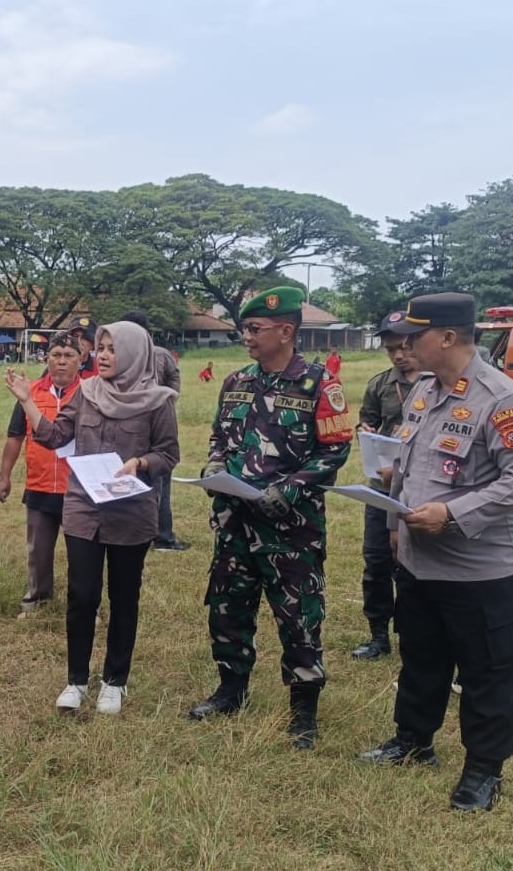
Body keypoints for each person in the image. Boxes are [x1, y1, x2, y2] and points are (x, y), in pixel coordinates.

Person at [360, 292, 513, 813]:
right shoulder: (423, 390)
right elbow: (410, 464)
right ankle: (413, 741)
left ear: (446, 337)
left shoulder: (502, 400)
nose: (403, 347)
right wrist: (395, 520)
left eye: (413, 337)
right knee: (421, 655)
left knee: (489, 669)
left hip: (481, 569)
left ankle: (483, 771)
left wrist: (452, 512)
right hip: (420, 560)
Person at [188, 286, 352, 751]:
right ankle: (230, 690)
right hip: (235, 522)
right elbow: (219, 438)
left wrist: (291, 489)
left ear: (286, 332)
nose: (247, 336)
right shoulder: (236, 381)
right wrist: (215, 466)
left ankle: (303, 712)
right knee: (227, 608)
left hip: (291, 529)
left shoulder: (320, 384)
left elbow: (335, 450)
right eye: (244, 328)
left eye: (255, 329)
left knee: (299, 616)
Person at [5, 321, 180, 715]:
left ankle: (115, 681)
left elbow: (168, 454)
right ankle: (76, 681)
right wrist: (27, 401)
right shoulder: (86, 392)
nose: (102, 355)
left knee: (124, 597)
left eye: (112, 349)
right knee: (82, 596)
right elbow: (54, 437)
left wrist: (140, 463)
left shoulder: (158, 401)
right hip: (84, 507)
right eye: (100, 348)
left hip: (131, 512)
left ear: (134, 353)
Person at [0, 332, 83, 616]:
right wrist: (4, 476)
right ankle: (37, 599)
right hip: (40, 484)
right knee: (38, 550)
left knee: (82, 553)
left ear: (80, 360)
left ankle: (85, 605)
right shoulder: (29, 392)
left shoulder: (90, 394)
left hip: (78, 488)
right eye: (56, 355)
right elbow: (15, 436)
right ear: (47, 358)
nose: (61, 361)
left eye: (69, 356)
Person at [350, 312, 421, 660]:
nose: (398, 355)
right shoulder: (380, 384)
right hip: (381, 487)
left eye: (404, 347)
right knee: (377, 560)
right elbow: (367, 421)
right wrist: (364, 431)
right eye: (391, 349)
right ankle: (378, 634)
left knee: (414, 564)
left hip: (420, 488)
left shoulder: (437, 383)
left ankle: (415, 634)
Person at [121, 310, 186, 552]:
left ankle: (161, 536)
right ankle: (146, 534)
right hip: (133, 425)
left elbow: (174, 377)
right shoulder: (119, 357)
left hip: (153, 423)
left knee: (158, 475)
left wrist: (167, 399)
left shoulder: (160, 355)